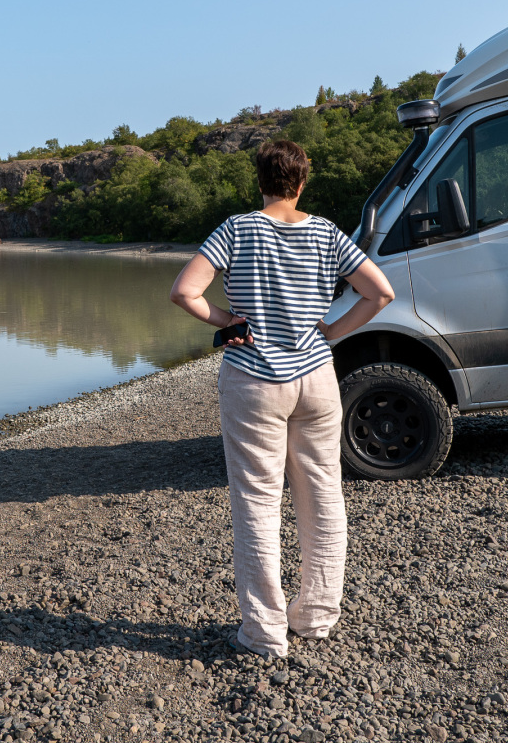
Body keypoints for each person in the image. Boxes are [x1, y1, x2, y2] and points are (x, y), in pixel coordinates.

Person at [169, 139, 395, 657]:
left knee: (257, 502)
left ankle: (264, 633)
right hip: (316, 378)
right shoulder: (327, 233)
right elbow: (380, 292)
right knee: (323, 495)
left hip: (254, 382)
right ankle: (316, 617)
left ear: (261, 181)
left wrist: (227, 321)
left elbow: (185, 292)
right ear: (302, 181)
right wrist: (333, 330)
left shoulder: (236, 228)